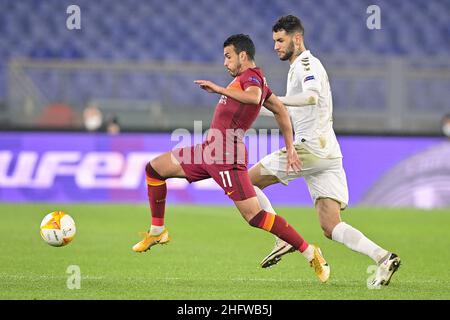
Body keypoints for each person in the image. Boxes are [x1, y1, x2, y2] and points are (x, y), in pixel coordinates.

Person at [133, 34, 330, 282]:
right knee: (154, 169)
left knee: (255, 217)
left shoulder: (251, 78)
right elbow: (280, 109)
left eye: (228, 56)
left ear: (243, 56)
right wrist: (290, 147)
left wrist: (218, 89)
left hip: (227, 157)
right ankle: (157, 230)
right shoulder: (249, 81)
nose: (225, 62)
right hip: (208, 151)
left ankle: (310, 251)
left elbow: (253, 97)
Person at [249, 15, 400, 287]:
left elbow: (311, 97)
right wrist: (256, 107)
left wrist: (274, 99)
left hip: (310, 149)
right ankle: (384, 257)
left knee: (247, 181)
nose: (276, 46)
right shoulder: (298, 66)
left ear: (297, 38)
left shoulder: (307, 63)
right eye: (274, 41)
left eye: (280, 40)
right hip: (328, 152)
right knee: (331, 225)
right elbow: (294, 110)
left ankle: (281, 237)